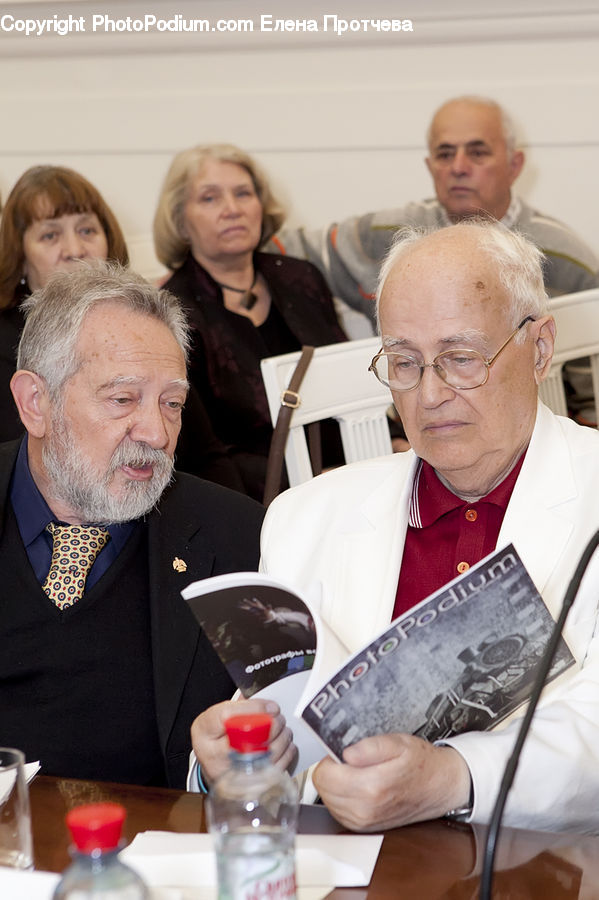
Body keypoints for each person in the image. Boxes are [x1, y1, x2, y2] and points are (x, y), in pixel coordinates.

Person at [192, 220, 599, 833]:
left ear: (540, 348)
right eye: (404, 363)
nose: (430, 393)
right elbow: (280, 731)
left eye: (460, 359)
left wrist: (452, 778)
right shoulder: (307, 518)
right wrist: (233, 759)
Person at [0, 261, 278, 789]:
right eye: (123, 399)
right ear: (36, 403)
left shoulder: (241, 540)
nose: (155, 431)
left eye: (171, 403)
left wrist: (231, 769)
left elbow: (287, 740)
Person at [0, 165, 244, 491]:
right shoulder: (6, 344)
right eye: (50, 235)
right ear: (20, 257)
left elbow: (207, 455)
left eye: (87, 230)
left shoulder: (147, 327)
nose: (75, 250)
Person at [269, 95, 599, 323]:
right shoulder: (384, 236)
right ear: (430, 167)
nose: (458, 167)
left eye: (477, 152)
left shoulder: (566, 259)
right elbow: (279, 252)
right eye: (444, 154)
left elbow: (590, 397)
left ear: (515, 165)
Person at [153, 143, 347, 502]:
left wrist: (392, 439)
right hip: (251, 501)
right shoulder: (170, 311)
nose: (232, 209)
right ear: (180, 221)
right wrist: (313, 481)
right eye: (210, 198)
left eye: (243, 193)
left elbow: (350, 378)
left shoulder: (301, 278)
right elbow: (198, 456)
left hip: (350, 475)